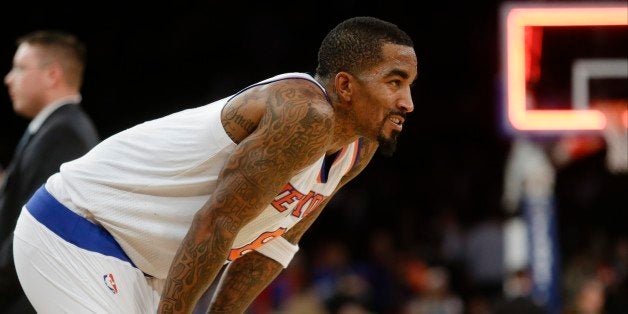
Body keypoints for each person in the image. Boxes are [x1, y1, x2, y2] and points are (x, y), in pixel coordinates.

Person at [13, 16, 417, 313]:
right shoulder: (304, 114)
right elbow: (217, 221)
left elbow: (275, 243)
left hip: (143, 264)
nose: (407, 102)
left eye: (410, 85)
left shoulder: (356, 150)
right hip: (75, 229)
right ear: (345, 86)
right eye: (394, 82)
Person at [0, 30, 99, 313]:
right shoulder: (53, 129)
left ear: (52, 74)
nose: (9, 78)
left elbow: (33, 233)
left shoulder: (64, 134)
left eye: (19, 68)